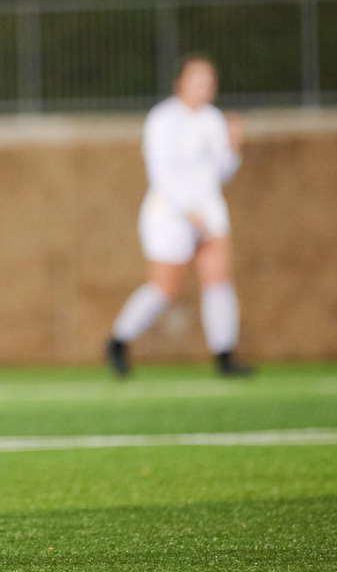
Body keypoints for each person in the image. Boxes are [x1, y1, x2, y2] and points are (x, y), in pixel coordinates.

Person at [107, 54, 252, 378]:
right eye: (197, 79)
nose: (204, 87)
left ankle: (225, 355)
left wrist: (233, 149)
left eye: (209, 81)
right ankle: (118, 341)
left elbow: (218, 173)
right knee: (164, 288)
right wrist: (188, 210)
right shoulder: (163, 118)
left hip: (209, 210)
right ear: (180, 83)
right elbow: (161, 172)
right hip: (170, 214)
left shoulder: (213, 119)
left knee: (218, 280)